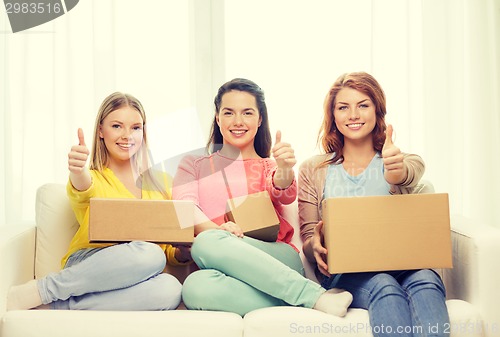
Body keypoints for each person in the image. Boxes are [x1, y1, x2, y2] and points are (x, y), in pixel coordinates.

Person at [172, 78, 353, 317]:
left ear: (259, 119)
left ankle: (310, 295)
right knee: (195, 288)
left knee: (205, 241)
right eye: (229, 113)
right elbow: (185, 207)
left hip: (277, 257)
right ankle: (306, 298)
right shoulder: (193, 165)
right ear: (217, 118)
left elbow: (282, 189)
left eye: (247, 113)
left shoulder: (269, 166)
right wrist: (220, 232)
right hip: (220, 262)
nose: (238, 121)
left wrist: (285, 169)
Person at [298, 72, 450, 336]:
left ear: (378, 110)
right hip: (347, 274)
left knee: (426, 279)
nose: (353, 114)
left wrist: (395, 171)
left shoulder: (400, 159)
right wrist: (317, 244)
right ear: (333, 116)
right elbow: (309, 238)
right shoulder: (314, 169)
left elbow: (407, 172)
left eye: (363, 105)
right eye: (343, 107)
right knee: (384, 284)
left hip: (407, 265)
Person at [7, 92, 189, 311]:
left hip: (137, 273)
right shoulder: (94, 177)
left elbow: (167, 247)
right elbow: (82, 187)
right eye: (116, 126)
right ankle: (44, 290)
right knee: (150, 254)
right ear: (101, 130)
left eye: (135, 127)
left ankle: (59, 306)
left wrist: (183, 251)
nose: (126, 135)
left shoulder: (162, 183)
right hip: (89, 262)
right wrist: (77, 170)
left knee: (170, 289)